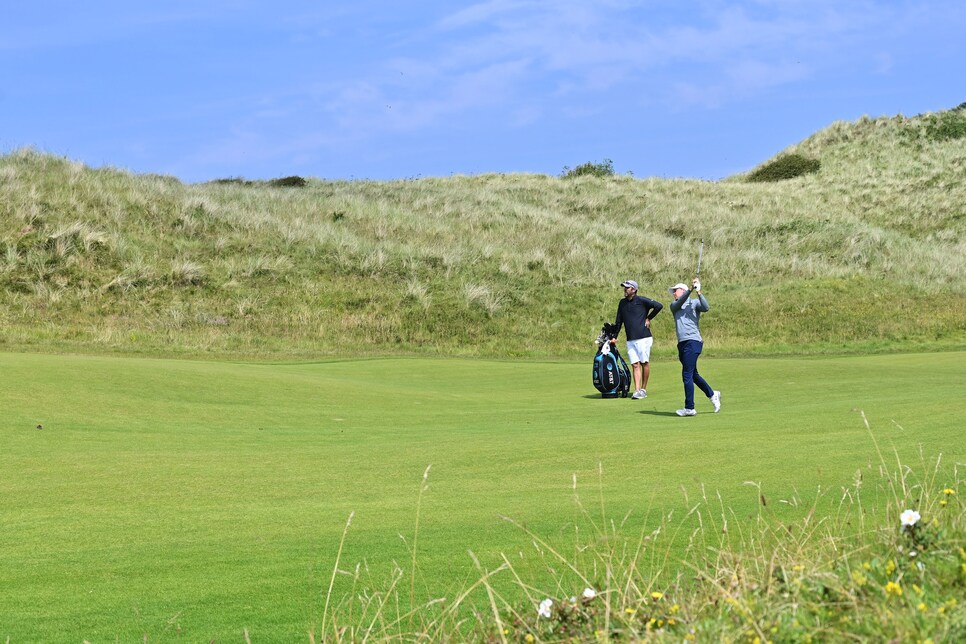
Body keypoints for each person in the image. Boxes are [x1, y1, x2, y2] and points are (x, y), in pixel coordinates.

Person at [668, 278, 721, 416]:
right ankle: (712, 394)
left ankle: (689, 408)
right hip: (682, 343)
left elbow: (706, 307)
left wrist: (698, 291)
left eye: (676, 290)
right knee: (693, 374)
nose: (674, 293)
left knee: (686, 374)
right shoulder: (674, 305)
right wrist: (691, 290)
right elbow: (680, 302)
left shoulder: (694, 303)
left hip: (693, 341)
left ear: (683, 290)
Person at [614, 279, 663, 399]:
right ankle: (637, 390)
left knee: (644, 363)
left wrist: (649, 318)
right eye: (624, 287)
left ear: (634, 290)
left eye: (627, 287)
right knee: (635, 364)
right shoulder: (622, 303)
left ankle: (643, 389)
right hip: (630, 339)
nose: (625, 289)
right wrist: (614, 337)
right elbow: (619, 321)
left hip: (643, 337)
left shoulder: (641, 300)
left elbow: (658, 306)